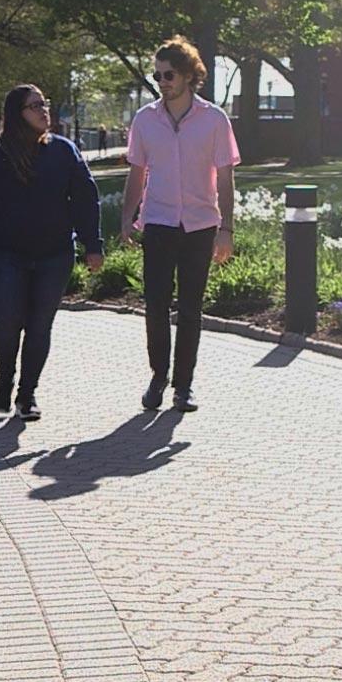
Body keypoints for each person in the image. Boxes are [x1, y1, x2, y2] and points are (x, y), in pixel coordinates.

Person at [0, 84, 104, 421]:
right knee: (8, 323)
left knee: (40, 326)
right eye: (35, 105)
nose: (44, 111)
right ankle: (5, 377)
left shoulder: (63, 151)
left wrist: (92, 245)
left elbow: (85, 199)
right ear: (16, 114)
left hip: (55, 255)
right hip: (8, 253)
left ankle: (27, 394)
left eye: (45, 104)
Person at [120, 36, 241, 412]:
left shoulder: (214, 120)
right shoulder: (145, 119)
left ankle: (183, 387)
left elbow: (225, 179)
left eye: (169, 74)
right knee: (155, 305)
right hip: (157, 222)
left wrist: (226, 229)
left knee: (190, 308)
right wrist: (127, 217)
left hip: (201, 225)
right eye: (157, 76)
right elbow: (136, 173)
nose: (162, 82)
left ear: (189, 75)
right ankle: (159, 376)